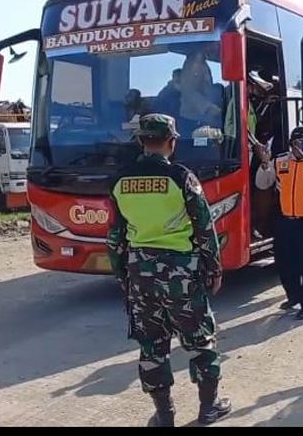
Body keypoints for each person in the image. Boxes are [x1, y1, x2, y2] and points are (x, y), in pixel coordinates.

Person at [106, 113, 232, 427]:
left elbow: (115, 235)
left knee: (152, 346)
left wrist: (122, 274)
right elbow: (205, 228)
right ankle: (208, 408)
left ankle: (165, 415)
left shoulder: (120, 180)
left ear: (140, 141)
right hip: (181, 274)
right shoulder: (181, 177)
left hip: (140, 274)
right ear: (172, 142)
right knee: (200, 340)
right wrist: (214, 269)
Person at [255, 126, 303, 320]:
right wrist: (264, 164)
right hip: (284, 223)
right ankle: (294, 296)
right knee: (284, 264)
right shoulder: (279, 161)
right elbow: (262, 183)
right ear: (294, 143)